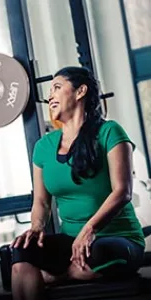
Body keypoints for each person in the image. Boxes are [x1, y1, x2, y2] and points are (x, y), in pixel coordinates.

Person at [11, 66, 145, 300]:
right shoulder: (43, 147)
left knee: (98, 254)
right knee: (21, 253)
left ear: (80, 91)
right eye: (49, 90)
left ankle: (54, 276)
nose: (49, 95)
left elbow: (122, 191)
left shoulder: (110, 132)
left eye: (57, 87)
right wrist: (36, 228)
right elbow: (41, 202)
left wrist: (88, 230)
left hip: (117, 238)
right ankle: (61, 272)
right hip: (70, 242)